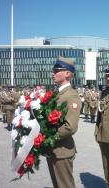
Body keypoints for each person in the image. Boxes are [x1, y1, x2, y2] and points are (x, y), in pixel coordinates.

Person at [46, 56, 81, 188]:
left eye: (56, 71)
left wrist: (48, 137)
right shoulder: (57, 94)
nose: (53, 73)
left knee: (64, 185)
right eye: (53, 71)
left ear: (67, 73)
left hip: (62, 150)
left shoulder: (71, 95)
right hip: (53, 149)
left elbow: (70, 127)